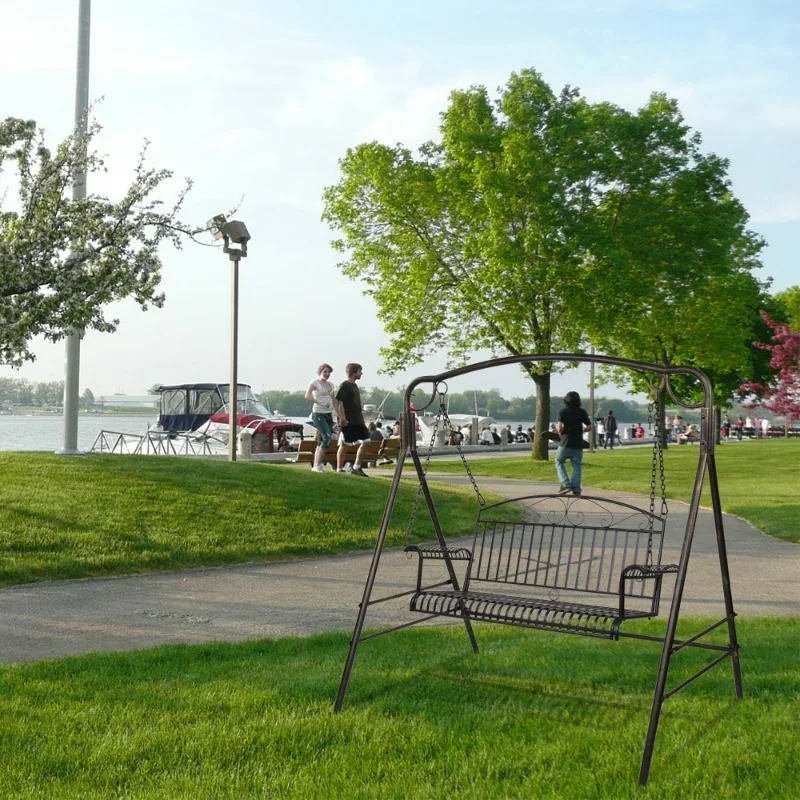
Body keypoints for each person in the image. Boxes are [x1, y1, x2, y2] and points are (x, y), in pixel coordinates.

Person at [335, 363, 371, 476]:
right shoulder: (344, 385)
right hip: (348, 420)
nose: (361, 373)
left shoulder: (355, 385)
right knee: (344, 444)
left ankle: (356, 467)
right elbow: (339, 402)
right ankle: (339, 469)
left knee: (367, 441)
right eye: (360, 371)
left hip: (358, 420)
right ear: (354, 372)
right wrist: (342, 418)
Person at [555, 391, 592, 496]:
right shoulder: (582, 412)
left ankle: (566, 484)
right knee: (577, 466)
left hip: (565, 441)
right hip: (578, 443)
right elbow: (589, 427)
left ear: (565, 400)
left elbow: (560, 427)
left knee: (559, 461)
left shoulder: (562, 412)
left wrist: (559, 433)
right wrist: (583, 430)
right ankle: (576, 489)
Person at [304, 363, 337, 473]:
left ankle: (317, 464)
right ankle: (318, 465)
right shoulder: (315, 383)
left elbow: (334, 400)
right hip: (318, 414)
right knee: (327, 438)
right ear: (320, 372)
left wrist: (340, 415)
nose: (327, 374)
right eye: (325, 372)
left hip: (328, 414)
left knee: (322, 440)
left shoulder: (331, 385)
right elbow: (307, 396)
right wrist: (319, 403)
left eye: (329, 372)